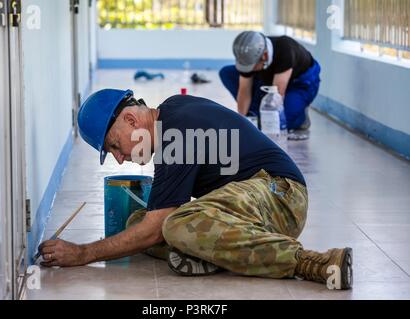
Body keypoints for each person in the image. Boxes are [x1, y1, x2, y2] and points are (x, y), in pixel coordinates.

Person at [38, 89, 353, 290]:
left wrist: (83, 253)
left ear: (131, 120)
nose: (120, 160)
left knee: (170, 226)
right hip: (253, 200)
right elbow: (151, 223)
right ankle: (211, 256)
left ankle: (311, 262)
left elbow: (158, 226)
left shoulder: (177, 131)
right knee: (139, 222)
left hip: (280, 194)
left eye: (116, 147)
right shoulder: (171, 116)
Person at [219, 31, 321, 140]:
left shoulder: (285, 50)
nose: (249, 70)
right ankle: (255, 114)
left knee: (281, 123)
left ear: (265, 56)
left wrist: (268, 123)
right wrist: (242, 121)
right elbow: (244, 90)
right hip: (270, 76)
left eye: (252, 66)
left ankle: (301, 118)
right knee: (227, 73)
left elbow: (277, 96)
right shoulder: (249, 56)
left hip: (300, 83)